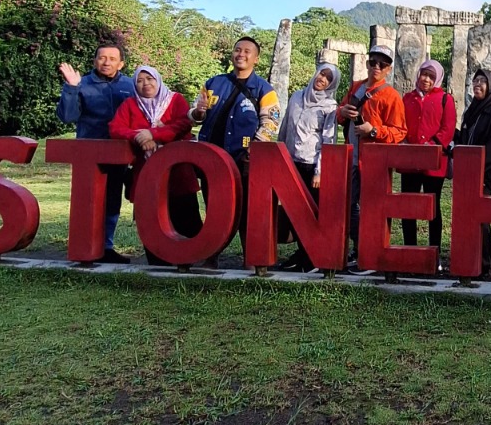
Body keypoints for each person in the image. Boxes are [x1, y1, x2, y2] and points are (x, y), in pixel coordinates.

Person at [191, 36, 280, 259]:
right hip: (211, 157)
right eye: (237, 50)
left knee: (247, 209)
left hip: (244, 159)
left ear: (256, 59)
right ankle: (210, 255)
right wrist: (198, 112)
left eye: (247, 51)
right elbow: (195, 114)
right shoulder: (213, 83)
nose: (241, 54)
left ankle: (251, 256)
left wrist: (254, 149)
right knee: (214, 208)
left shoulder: (264, 89)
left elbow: (271, 122)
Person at [109, 65, 201, 264]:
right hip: (146, 173)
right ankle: (157, 261)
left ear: (158, 80)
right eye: (140, 80)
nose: (145, 84)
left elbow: (183, 124)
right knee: (151, 220)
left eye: (149, 79)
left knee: (186, 217)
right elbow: (115, 128)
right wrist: (138, 136)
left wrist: (155, 134)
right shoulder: (130, 104)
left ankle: (191, 259)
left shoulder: (175, 100)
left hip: (178, 172)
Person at [57, 42, 137, 263]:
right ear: (94, 60)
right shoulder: (81, 84)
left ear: (121, 63)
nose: (107, 62)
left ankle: (106, 247)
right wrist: (71, 88)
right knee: (88, 202)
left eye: (112, 58)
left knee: (112, 200)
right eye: (102, 58)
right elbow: (68, 117)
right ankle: (85, 247)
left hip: (120, 153)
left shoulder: (131, 86)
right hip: (88, 156)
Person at [336, 45, 407, 270]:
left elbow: (400, 131)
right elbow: (340, 113)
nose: (376, 67)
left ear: (388, 69)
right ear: (367, 63)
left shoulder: (392, 96)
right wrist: (342, 112)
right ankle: (358, 248)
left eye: (382, 64)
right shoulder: (355, 87)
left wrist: (373, 131)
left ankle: (373, 251)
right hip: (351, 158)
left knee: (373, 207)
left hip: (374, 162)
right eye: (373, 62)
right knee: (350, 206)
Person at [275, 61, 342, 271]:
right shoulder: (297, 96)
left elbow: (328, 140)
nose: (322, 80)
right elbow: (286, 126)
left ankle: (310, 258)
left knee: (311, 213)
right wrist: (279, 156)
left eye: (328, 79)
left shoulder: (330, 107)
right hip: (291, 161)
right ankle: (301, 254)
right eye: (321, 74)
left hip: (312, 165)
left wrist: (320, 171)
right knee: (294, 211)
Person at [454, 67, 491, 277]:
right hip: (469, 171)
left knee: (479, 216)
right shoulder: (474, 109)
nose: (477, 84)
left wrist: (479, 173)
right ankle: (488, 260)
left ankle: (487, 264)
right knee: (475, 216)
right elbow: (467, 138)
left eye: (482, 81)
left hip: (485, 173)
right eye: (475, 81)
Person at [400, 59, 457, 259]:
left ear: (438, 79)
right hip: (410, 162)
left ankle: (434, 251)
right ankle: (410, 251)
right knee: (408, 206)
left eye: (431, 76)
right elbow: (401, 125)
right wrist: (406, 143)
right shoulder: (407, 98)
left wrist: (431, 146)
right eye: (424, 74)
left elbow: (448, 128)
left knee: (433, 206)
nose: (426, 79)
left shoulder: (445, 99)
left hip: (434, 162)